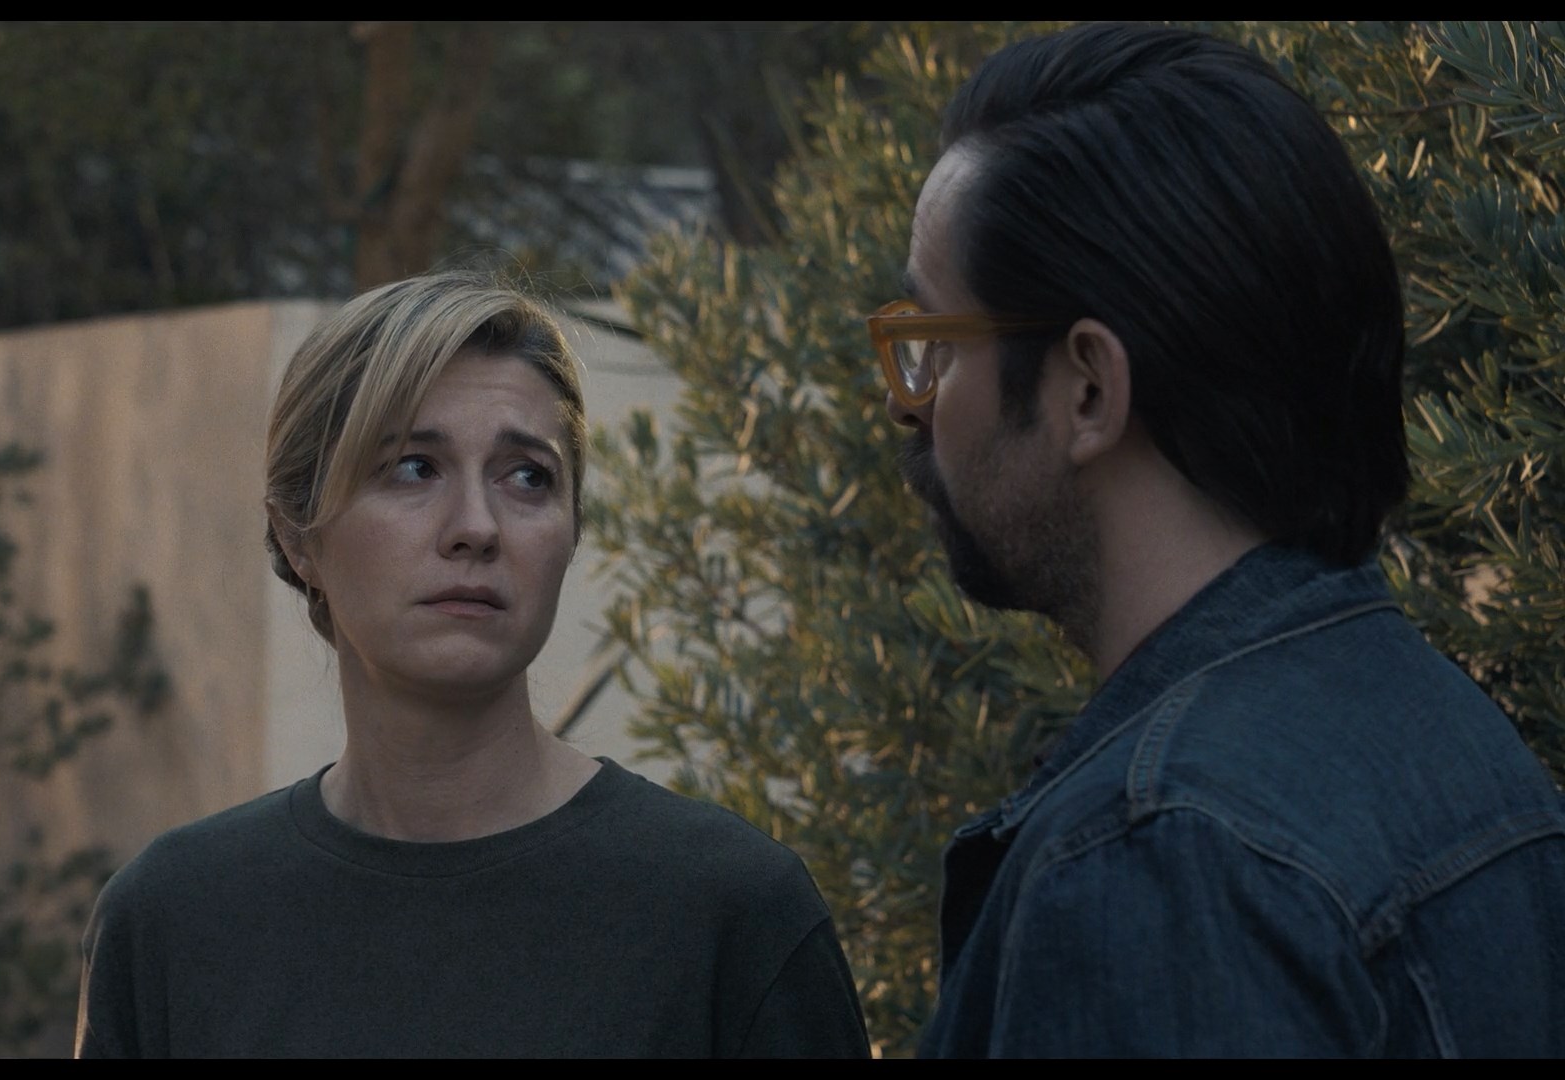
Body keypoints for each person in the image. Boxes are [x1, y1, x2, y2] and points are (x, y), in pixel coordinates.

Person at [867, 22, 1565, 1057]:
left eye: (933, 343)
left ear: (1088, 390)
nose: (908, 403)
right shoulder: (1460, 750)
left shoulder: (1157, 860)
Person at [75, 269, 870, 1058]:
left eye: (527, 477)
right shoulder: (171, 923)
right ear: (297, 535)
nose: (477, 527)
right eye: (414, 467)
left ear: (571, 531)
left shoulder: (734, 915)